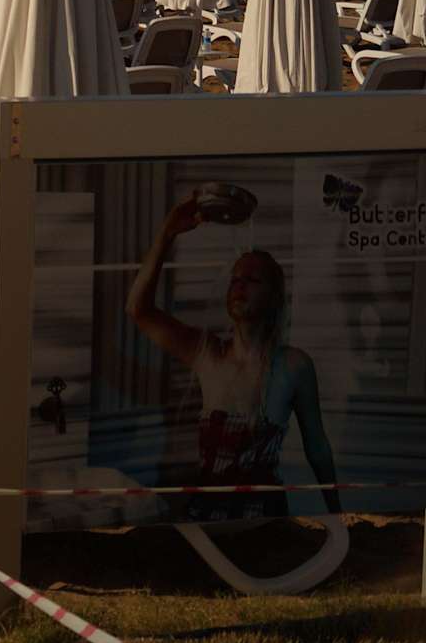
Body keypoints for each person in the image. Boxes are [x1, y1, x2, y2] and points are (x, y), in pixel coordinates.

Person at [128, 184, 340, 518]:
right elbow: (139, 310)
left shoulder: (294, 365)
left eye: (252, 280)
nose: (240, 285)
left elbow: (317, 448)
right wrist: (167, 233)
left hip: (264, 517)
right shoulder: (207, 353)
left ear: (273, 296)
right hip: (207, 514)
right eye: (235, 279)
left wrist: (337, 517)